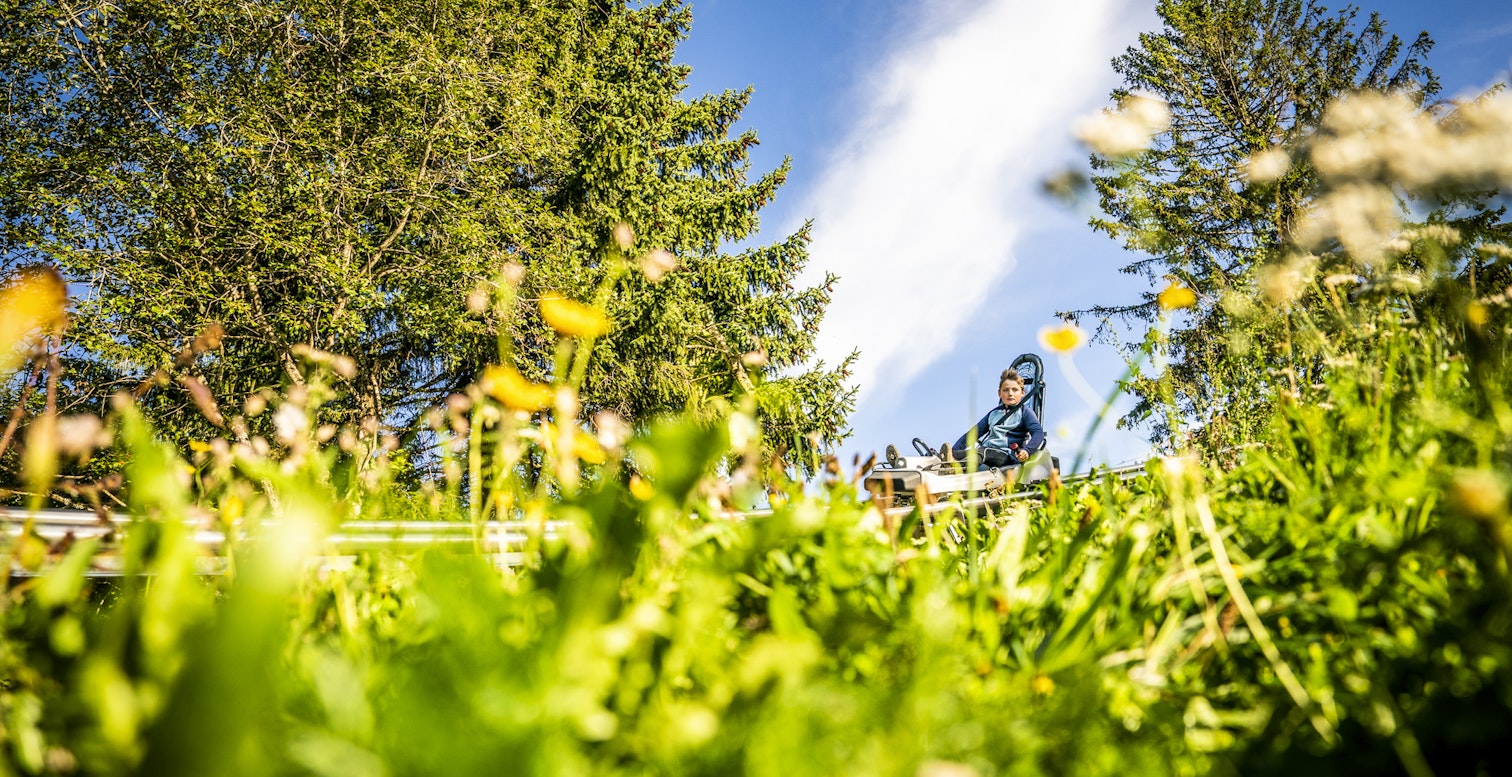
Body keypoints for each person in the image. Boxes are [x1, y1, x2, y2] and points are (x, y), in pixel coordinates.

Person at [944, 368, 1045, 470]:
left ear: (1022, 392)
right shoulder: (993, 414)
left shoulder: (1025, 412)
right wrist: (953, 451)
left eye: (1015, 390)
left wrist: (1027, 450)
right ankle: (945, 460)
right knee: (961, 453)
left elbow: (1038, 433)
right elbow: (972, 434)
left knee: (982, 451)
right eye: (1006, 390)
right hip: (986, 453)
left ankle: (954, 469)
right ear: (999, 393)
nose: (1010, 393)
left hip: (1008, 456)